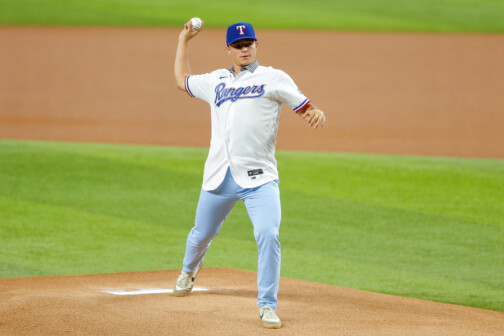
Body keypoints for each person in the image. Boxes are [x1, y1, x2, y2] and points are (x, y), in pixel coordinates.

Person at [173, 20, 326, 329]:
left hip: (260, 180)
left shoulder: (274, 78)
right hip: (219, 176)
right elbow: (181, 80)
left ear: (256, 46)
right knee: (201, 234)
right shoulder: (216, 80)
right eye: (238, 46)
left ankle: (267, 305)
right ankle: (189, 269)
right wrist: (183, 40)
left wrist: (314, 112)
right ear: (229, 50)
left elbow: (305, 106)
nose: (244, 49)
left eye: (249, 44)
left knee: (268, 235)